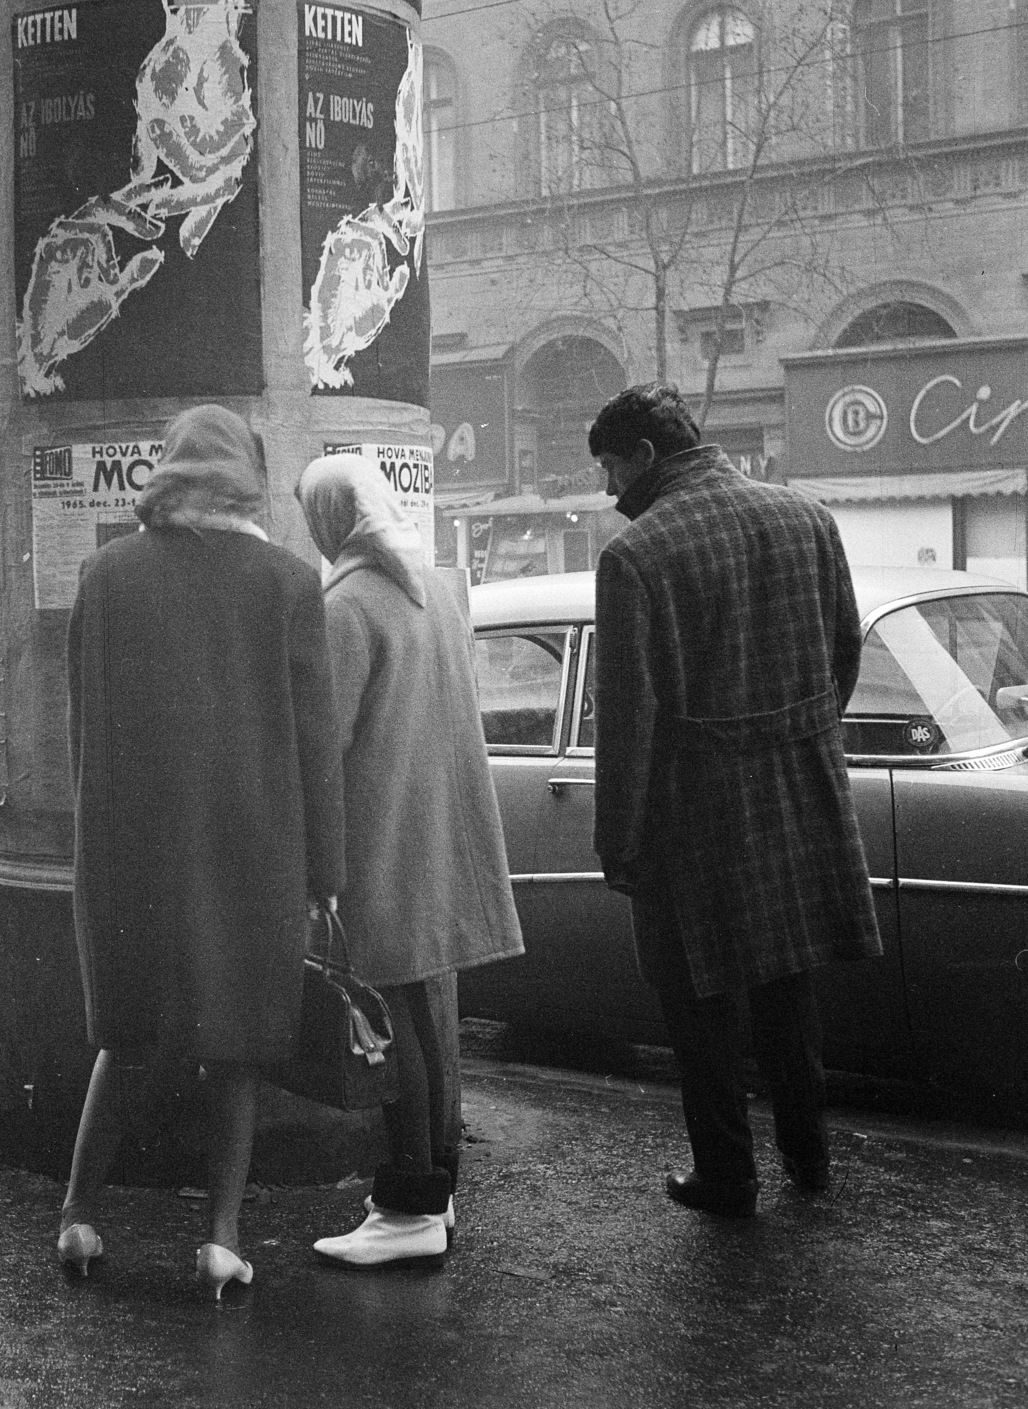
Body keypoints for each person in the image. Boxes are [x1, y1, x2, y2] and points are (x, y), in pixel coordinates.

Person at [59, 405, 345, 1298]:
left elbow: (85, 726)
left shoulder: (106, 575)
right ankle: (221, 1238)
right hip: (251, 849)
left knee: (126, 1034)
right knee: (239, 1047)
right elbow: (314, 746)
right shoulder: (291, 583)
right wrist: (324, 875)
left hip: (132, 849)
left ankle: (76, 1217)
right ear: (249, 477)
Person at [588, 383, 882, 1219]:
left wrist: (621, 842)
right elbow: (844, 654)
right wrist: (800, 734)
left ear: (645, 455)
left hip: (697, 815)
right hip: (801, 791)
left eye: (612, 468)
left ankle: (727, 1176)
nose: (610, 490)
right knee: (791, 992)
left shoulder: (638, 555)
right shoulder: (808, 518)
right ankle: (810, 1158)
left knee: (699, 1007)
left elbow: (630, 721)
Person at [296, 454, 523, 1267]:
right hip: (431, 829)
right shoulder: (427, 589)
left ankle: (408, 1208)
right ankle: (435, 1191)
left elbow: (321, 749)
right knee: (420, 1016)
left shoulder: (346, 604)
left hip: (378, 836)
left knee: (388, 1027)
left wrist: (315, 867)